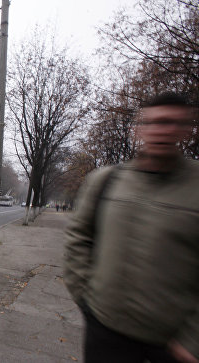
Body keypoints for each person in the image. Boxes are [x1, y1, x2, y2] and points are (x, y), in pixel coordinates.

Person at [64, 92, 199, 363]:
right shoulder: (106, 181)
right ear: (138, 128)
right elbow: (78, 237)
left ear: (187, 130)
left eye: (174, 123)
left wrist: (193, 339)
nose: (164, 130)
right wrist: (86, 299)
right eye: (155, 122)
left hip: (173, 345)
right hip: (106, 331)